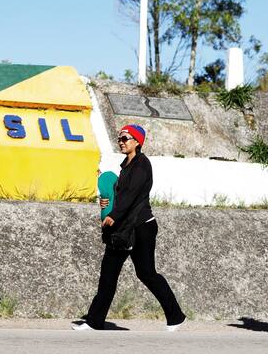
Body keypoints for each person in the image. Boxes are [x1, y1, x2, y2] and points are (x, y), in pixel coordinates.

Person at [72, 124, 185, 332]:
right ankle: (94, 321)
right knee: (108, 274)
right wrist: (106, 203)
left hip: (141, 227)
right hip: (123, 228)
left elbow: (132, 196)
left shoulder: (142, 165)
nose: (122, 142)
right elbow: (119, 194)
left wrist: (113, 215)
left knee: (146, 273)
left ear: (137, 141)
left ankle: (176, 316)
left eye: (126, 138)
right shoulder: (125, 165)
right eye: (120, 139)